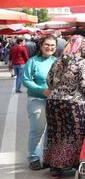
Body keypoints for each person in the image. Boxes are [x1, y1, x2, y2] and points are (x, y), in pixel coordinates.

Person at [44, 35, 85, 179]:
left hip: (53, 103)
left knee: (57, 134)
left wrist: (57, 90)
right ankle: (76, 164)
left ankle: (55, 168)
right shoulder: (81, 62)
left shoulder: (57, 61)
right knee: (75, 134)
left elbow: (48, 80)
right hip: (73, 104)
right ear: (83, 47)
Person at [23, 35, 57, 170]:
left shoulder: (57, 61)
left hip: (55, 102)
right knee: (37, 130)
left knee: (52, 131)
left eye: (52, 45)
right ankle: (34, 158)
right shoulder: (33, 61)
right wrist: (41, 90)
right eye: (47, 44)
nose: (50, 47)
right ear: (41, 46)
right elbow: (26, 80)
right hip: (37, 100)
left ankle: (47, 157)